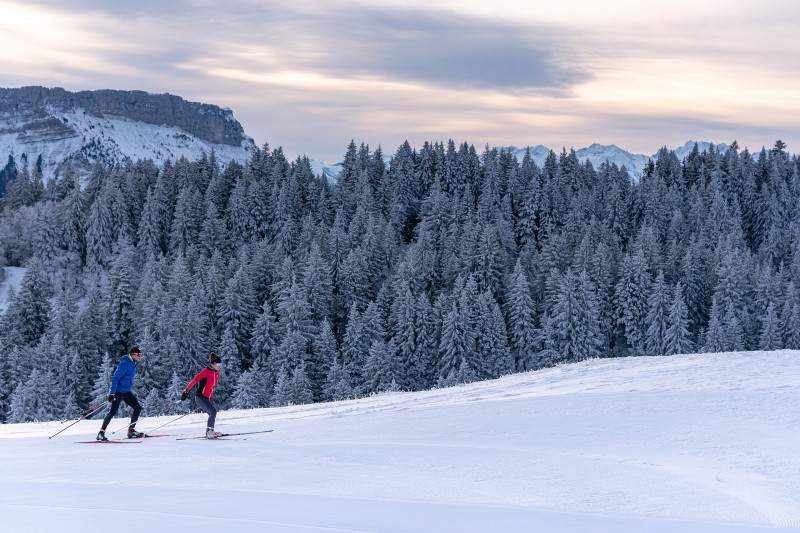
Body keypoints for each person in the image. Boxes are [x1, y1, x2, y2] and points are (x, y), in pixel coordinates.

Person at [97, 346, 144, 441]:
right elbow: (115, 378)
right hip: (118, 392)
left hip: (126, 391)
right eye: (139, 355)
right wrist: (112, 393)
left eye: (141, 355)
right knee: (112, 412)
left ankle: (131, 431)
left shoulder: (134, 363)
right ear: (133, 355)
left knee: (137, 408)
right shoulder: (125, 363)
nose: (140, 356)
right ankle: (101, 433)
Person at [182, 352, 223, 439]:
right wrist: (186, 391)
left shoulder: (216, 373)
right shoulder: (206, 371)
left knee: (212, 413)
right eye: (218, 364)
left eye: (221, 364)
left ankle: (211, 431)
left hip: (208, 398)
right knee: (213, 412)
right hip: (201, 397)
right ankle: (209, 432)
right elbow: (194, 380)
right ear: (212, 364)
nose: (220, 366)